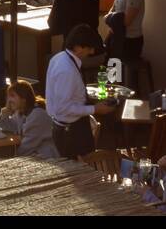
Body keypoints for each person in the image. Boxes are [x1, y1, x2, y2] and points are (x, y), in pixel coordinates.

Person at [44, 24, 116, 159]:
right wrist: (95, 109)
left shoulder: (59, 58)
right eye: (89, 48)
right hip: (71, 133)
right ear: (78, 47)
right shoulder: (67, 70)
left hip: (69, 127)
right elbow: (63, 108)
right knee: (81, 173)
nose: (92, 52)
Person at [0, 80, 59, 159]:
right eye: (8, 96)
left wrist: (10, 158)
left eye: (12, 96)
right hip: (31, 155)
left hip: (45, 158)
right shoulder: (20, 112)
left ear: (23, 98)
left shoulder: (38, 115)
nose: (9, 100)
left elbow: (27, 147)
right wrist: (5, 114)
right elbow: (8, 127)